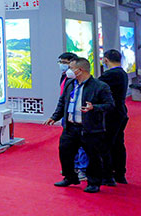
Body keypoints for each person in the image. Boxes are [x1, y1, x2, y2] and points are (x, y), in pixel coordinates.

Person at [47, 57, 114, 192]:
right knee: (65, 151)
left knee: (93, 156)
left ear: (80, 70)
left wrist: (94, 107)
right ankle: (70, 177)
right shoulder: (70, 84)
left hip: (90, 128)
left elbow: (110, 105)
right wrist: (55, 117)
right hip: (71, 126)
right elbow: (63, 102)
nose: (68, 71)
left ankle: (94, 182)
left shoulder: (100, 86)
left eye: (71, 68)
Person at [99, 49, 130, 184]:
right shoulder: (122, 73)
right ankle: (119, 173)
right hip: (120, 112)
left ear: (106, 60)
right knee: (118, 143)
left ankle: (107, 175)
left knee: (107, 143)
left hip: (112, 114)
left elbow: (95, 85)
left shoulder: (111, 74)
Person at [57, 52, 88, 181]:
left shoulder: (88, 84)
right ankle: (72, 168)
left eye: (65, 63)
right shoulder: (66, 79)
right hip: (68, 116)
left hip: (81, 119)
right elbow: (63, 98)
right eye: (61, 62)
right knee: (68, 146)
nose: (62, 66)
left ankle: (83, 169)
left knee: (82, 146)